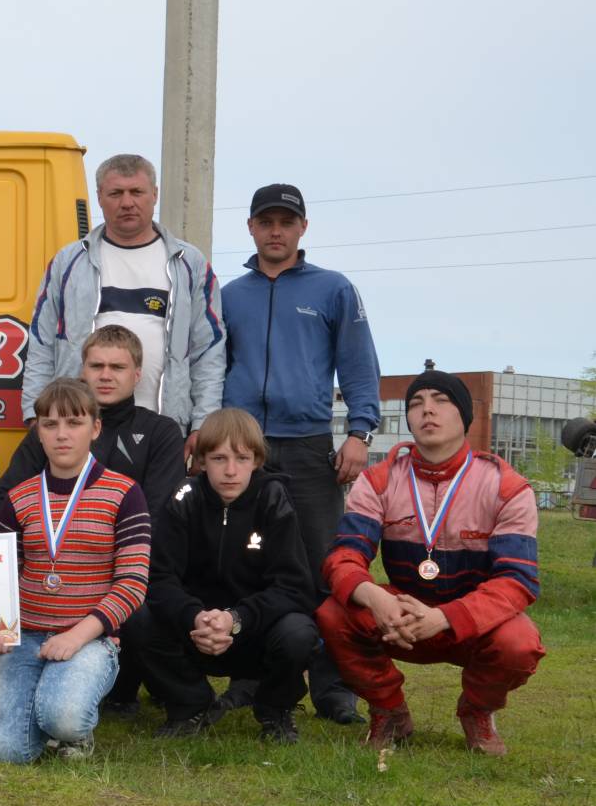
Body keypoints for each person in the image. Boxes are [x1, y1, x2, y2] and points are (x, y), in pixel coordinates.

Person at [317, 370, 544, 756]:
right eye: (416, 403)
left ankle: (477, 711)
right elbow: (344, 557)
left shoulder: (506, 487)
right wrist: (375, 597)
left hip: (472, 622)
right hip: (400, 617)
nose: (427, 410)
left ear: (464, 416)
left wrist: (446, 617)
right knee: (332, 613)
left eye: (441, 400)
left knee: (518, 642)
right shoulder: (378, 480)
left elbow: (516, 581)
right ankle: (389, 711)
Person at [220, 183, 381, 725]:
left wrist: (360, 431)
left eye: (286, 222)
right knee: (247, 563)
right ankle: (251, 678)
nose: (276, 231)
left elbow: (359, 365)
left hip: (311, 446)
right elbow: (212, 367)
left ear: (303, 228)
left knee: (326, 567)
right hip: (244, 448)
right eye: (265, 222)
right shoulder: (229, 296)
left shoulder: (333, 289)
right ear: (250, 227)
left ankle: (334, 688)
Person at [0, 325, 186, 715]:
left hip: (135, 563)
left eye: (117, 367)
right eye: (97, 366)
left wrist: (108, 559)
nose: (106, 375)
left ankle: (152, 694)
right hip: (56, 570)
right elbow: (4, 500)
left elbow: (160, 513)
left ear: (137, 374)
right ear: (83, 370)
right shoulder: (50, 429)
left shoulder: (161, 431)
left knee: (144, 606)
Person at [0, 379, 150, 763]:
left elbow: (132, 583)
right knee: (7, 752)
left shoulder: (125, 493)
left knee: (64, 717)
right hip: (25, 636)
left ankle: (72, 730)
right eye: (50, 424)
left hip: (89, 638)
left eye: (74, 423)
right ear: (38, 432)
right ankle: (46, 713)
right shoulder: (19, 497)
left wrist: (77, 636)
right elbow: (0, 578)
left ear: (95, 428)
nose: (62, 434)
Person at [128, 409, 318, 743]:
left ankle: (274, 710)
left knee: (298, 632)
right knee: (136, 616)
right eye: (219, 458)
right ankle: (190, 703)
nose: (231, 470)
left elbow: (294, 587)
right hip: (194, 630)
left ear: (256, 460)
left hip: (251, 632)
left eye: (241, 458)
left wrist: (236, 618)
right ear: (201, 460)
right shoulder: (184, 498)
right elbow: (159, 578)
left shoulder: (272, 498)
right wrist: (195, 616)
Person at [22, 153, 225, 459]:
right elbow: (41, 343)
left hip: (164, 430)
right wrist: (35, 413)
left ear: (154, 194)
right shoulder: (68, 262)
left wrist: (203, 424)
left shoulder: (189, 264)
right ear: (100, 197)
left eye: (136, 192)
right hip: (78, 427)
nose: (127, 202)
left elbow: (208, 351)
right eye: (116, 193)